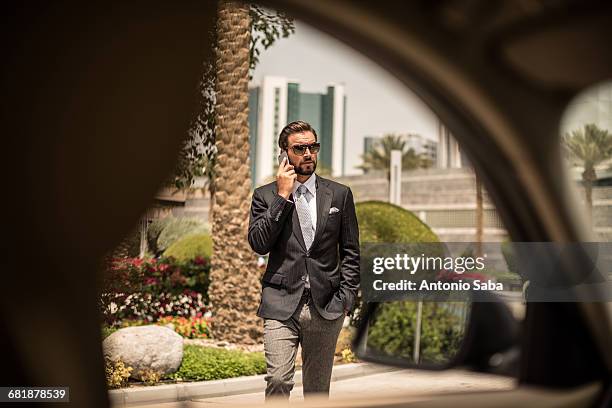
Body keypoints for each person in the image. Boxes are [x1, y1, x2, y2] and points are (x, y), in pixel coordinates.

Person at [247, 120, 360, 400]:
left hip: (326, 306)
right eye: (300, 148)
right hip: (281, 302)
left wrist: (345, 299)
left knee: (317, 392)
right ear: (284, 154)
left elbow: (351, 251)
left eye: (313, 147)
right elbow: (259, 243)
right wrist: (283, 196)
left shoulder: (339, 194)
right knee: (277, 380)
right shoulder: (265, 196)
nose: (308, 153)